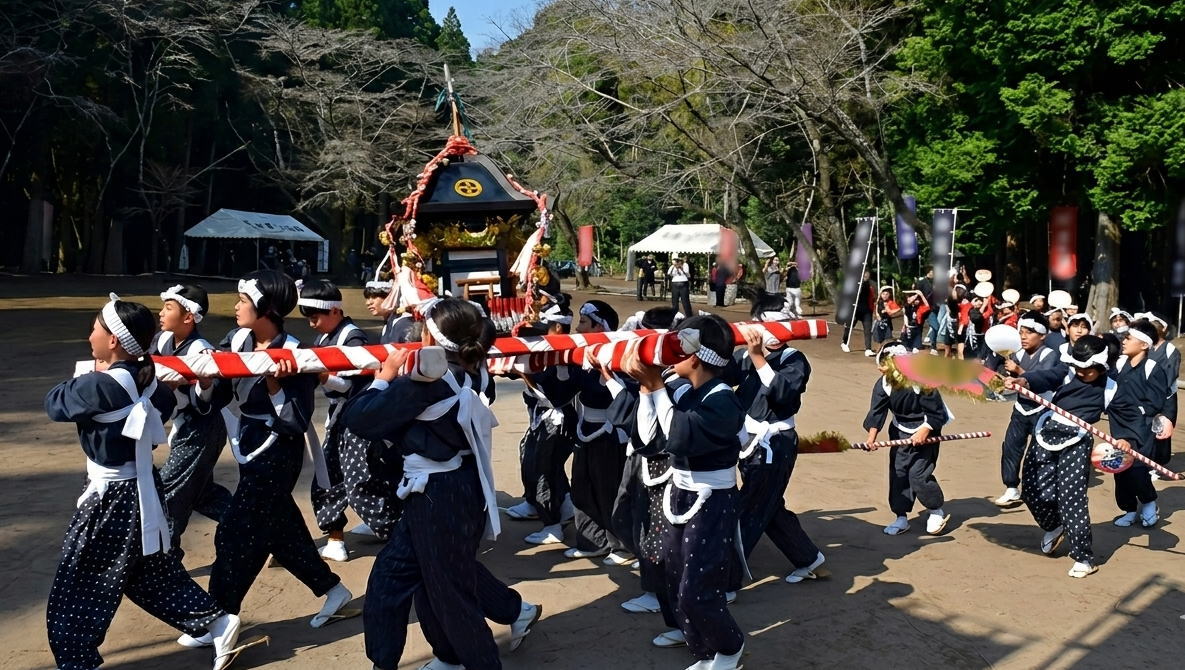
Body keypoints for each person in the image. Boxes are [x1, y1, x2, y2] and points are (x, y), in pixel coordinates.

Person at [45, 295, 241, 670]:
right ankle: (215, 622)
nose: (90, 335)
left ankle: (76, 661)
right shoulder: (152, 385)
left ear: (113, 340)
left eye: (95, 329)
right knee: (147, 574)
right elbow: (163, 401)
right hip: (143, 489)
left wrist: (91, 374)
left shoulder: (97, 387)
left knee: (79, 584)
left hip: (110, 499)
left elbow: (54, 403)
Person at [344, 298, 540, 670]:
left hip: (439, 493)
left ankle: (477, 661)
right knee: (395, 577)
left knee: (450, 594)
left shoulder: (424, 384)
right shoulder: (474, 369)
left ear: (432, 338)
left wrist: (383, 379)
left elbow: (360, 419)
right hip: (450, 488)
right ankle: (403, 660)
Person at [206, 270, 352, 628]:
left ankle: (217, 615)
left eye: (243, 301)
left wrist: (274, 383)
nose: (236, 306)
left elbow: (295, 421)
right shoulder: (236, 339)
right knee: (280, 530)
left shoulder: (296, 353)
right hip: (248, 439)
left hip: (279, 450)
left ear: (266, 307)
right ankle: (333, 589)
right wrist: (207, 377)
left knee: (236, 531)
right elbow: (218, 395)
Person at [624, 314, 746, 670]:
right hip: (680, 494)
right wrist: (648, 389)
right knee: (675, 576)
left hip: (711, 501)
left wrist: (656, 386)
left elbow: (681, 435)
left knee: (697, 585)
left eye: (677, 348)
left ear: (695, 357)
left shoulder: (723, 400)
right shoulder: (684, 392)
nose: (669, 356)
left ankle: (730, 648)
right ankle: (702, 646)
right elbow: (650, 440)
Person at [299, 279, 399, 561]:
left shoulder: (353, 339)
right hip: (340, 417)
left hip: (359, 418)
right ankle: (336, 536)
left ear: (334, 311)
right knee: (328, 477)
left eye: (315, 317)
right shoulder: (324, 338)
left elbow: (355, 386)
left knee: (360, 480)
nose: (312, 324)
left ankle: (395, 529)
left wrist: (321, 376)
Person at [1006, 336, 1115, 578]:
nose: (1081, 372)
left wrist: (1125, 438)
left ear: (1101, 367)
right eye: (1078, 367)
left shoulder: (1111, 387)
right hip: (1048, 430)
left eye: (1088, 369)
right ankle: (1054, 525)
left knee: (1071, 496)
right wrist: (1025, 380)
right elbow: (1047, 376)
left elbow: (1125, 415)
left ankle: (1083, 557)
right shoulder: (1068, 372)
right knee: (1032, 489)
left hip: (1078, 440)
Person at [726, 324, 825, 586]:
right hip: (748, 441)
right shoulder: (744, 354)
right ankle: (808, 557)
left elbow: (783, 393)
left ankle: (726, 579)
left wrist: (758, 356)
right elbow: (721, 375)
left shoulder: (794, 359)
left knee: (749, 508)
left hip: (775, 444)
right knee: (767, 505)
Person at [151, 284, 232, 554]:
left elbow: (212, 397)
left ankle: (166, 556)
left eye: (168, 308)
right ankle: (256, 530)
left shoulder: (202, 350)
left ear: (188, 317)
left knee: (168, 492)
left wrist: (204, 384)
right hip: (185, 426)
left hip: (201, 430)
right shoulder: (163, 340)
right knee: (203, 495)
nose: (161, 313)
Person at [505, 294, 577, 546]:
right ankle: (556, 506)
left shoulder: (565, 355)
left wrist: (524, 373)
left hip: (556, 420)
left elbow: (556, 395)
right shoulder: (548, 350)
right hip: (544, 418)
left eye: (544, 329)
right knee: (533, 458)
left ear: (557, 328)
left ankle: (552, 524)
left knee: (543, 470)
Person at [863, 341, 952, 536]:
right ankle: (901, 517)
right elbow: (877, 412)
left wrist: (924, 431)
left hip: (926, 429)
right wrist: (871, 438)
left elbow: (936, 412)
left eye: (884, 365)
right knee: (899, 473)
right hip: (899, 430)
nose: (880, 369)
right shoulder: (883, 383)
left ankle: (935, 510)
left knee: (918, 474)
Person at [987, 312, 1058, 507]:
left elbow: (1043, 380)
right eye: (1021, 332)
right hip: (1021, 407)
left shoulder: (1049, 354)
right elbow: (1003, 376)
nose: (1024, 337)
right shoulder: (1018, 353)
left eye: (1029, 333)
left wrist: (1018, 371)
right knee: (1011, 447)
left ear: (1042, 335)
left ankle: (1040, 489)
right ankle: (1011, 487)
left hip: (1042, 408)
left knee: (1039, 452)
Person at [1109, 320, 1173, 528]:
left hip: (1141, 428)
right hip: (1118, 426)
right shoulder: (1120, 364)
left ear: (1144, 344)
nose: (1124, 341)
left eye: (1129, 338)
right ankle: (1128, 509)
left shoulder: (1152, 368)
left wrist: (1137, 410)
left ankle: (1148, 502)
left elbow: (1156, 402)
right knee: (1120, 469)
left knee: (1137, 468)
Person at [1138, 311, 1179, 471]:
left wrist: (1156, 391)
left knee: (1160, 429)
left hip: (1165, 396)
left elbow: (1170, 375)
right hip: (1144, 394)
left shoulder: (1170, 350)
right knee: (1146, 429)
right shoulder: (1146, 348)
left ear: (1163, 329)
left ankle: (1157, 464)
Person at [841, 271, 876, 356]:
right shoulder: (855, 283)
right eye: (864, 275)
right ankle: (844, 342)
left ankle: (868, 349)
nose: (866, 277)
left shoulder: (871, 285)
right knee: (849, 326)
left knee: (868, 330)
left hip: (866, 310)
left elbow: (874, 296)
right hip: (855, 310)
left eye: (867, 276)